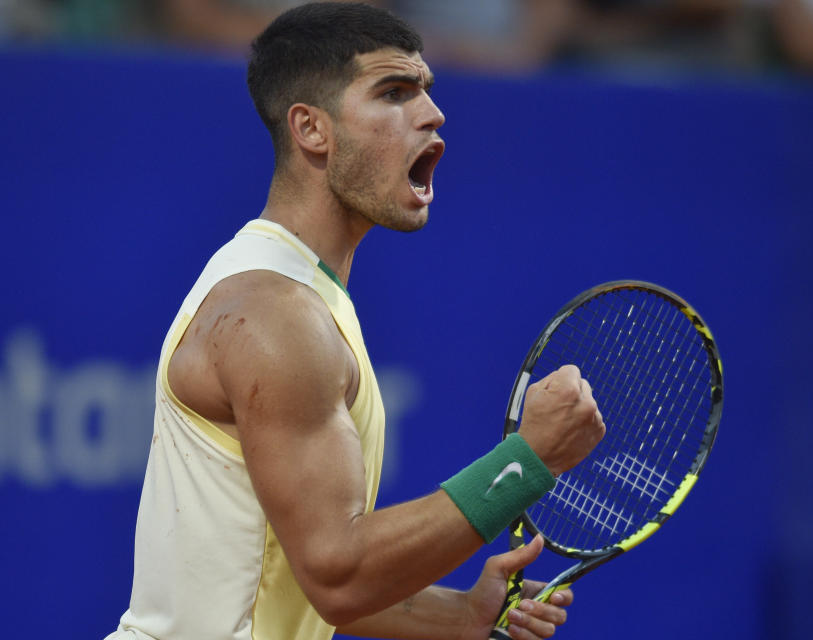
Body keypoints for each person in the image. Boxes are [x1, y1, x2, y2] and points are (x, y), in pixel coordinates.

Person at [105, 3, 606, 639]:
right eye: (393, 92)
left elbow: (298, 569)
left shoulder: (302, 292)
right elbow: (338, 572)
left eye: (426, 90)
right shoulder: (276, 315)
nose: (432, 114)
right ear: (312, 129)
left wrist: (459, 615)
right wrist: (528, 461)